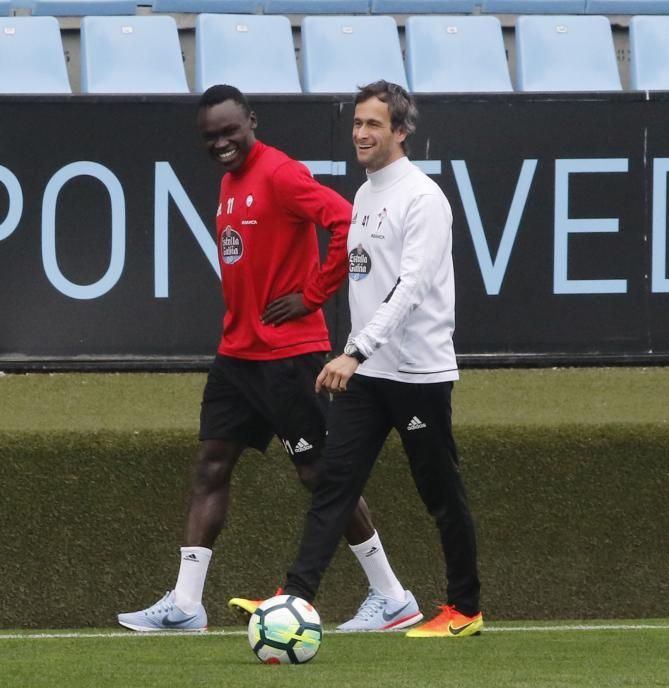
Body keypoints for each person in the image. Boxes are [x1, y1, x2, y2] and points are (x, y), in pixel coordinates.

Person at [117, 84, 420, 634]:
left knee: (318, 472)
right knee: (211, 464)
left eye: (230, 132)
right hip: (236, 354)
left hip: (288, 354)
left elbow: (344, 220)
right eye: (211, 137)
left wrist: (313, 294)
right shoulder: (231, 183)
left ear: (251, 122)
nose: (221, 144)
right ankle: (186, 605)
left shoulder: (280, 173)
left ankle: (392, 596)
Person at [270, 80, 482, 638]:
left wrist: (353, 350)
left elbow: (410, 287)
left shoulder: (423, 198)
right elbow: (363, 277)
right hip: (368, 374)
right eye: (358, 123)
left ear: (401, 132)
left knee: (440, 495)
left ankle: (465, 608)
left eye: (374, 125)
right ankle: (294, 600)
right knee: (334, 484)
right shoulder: (364, 195)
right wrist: (358, 355)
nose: (361, 134)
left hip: (418, 375)